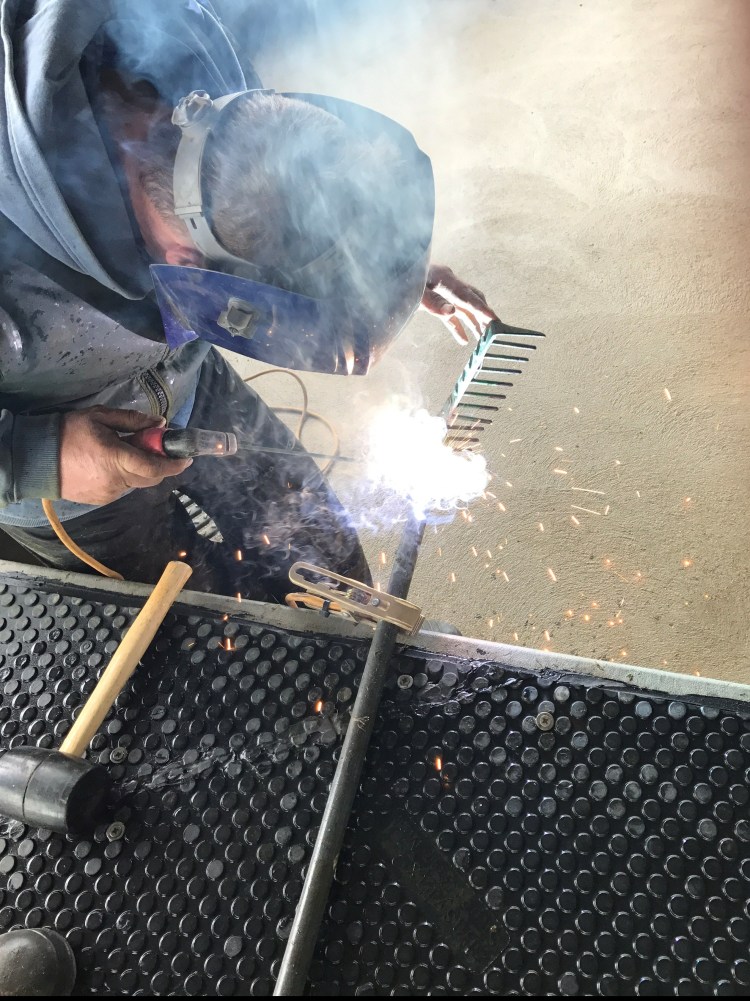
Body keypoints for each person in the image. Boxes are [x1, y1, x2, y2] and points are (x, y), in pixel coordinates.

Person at [0, 0, 497, 602]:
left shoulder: (191, 52)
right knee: (205, 630)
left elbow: (294, 194)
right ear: (190, 270)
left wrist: (374, 265)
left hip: (191, 386)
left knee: (328, 562)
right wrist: (37, 457)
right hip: (72, 476)